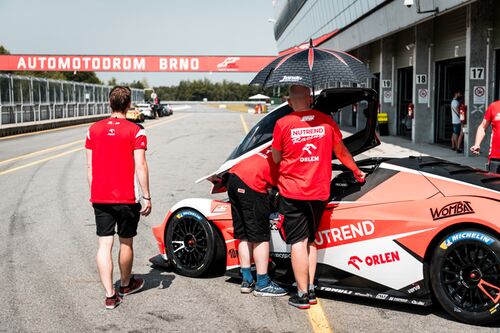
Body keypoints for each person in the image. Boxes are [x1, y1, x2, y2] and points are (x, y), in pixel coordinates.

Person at [272, 85, 366, 309]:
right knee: (311, 241)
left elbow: (276, 158)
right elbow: (341, 152)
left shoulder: (282, 124)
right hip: (319, 192)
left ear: (290, 102)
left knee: (297, 242)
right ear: (310, 99)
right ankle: (311, 289)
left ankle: (302, 294)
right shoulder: (326, 121)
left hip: (292, 192)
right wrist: (356, 170)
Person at [85, 86, 152, 309]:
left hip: (100, 195)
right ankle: (125, 284)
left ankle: (110, 295)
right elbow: (141, 165)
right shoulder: (136, 130)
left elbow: (89, 166)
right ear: (129, 104)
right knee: (126, 241)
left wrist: (92, 191)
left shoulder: (92, 130)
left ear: (109, 103)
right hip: (127, 197)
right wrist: (147, 196)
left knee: (104, 244)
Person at [227, 147, 287, 297]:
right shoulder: (290, 155)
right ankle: (262, 283)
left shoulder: (272, 146)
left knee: (245, 235)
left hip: (234, 177)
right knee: (260, 237)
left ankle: (247, 280)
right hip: (251, 183)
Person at [470, 99, 500, 173]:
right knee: (494, 183)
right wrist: (477, 144)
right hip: (496, 157)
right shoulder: (494, 106)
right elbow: (483, 126)